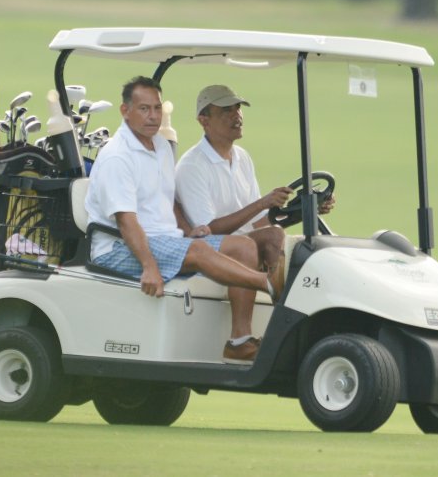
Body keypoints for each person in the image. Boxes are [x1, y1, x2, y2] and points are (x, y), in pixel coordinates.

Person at [85, 76, 281, 364]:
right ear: (125, 111)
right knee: (200, 251)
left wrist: (189, 230)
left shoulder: (160, 147)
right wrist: (149, 267)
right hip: (118, 248)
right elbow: (126, 221)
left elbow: (169, 201)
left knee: (243, 247)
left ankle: (239, 342)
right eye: (143, 109)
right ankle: (271, 284)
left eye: (156, 108)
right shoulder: (117, 157)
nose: (153, 116)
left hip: (163, 240)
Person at [175, 84, 336, 362]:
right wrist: (262, 202)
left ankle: (287, 325)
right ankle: (240, 340)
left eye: (237, 108)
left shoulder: (242, 158)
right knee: (246, 247)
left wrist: (305, 211)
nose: (236, 115)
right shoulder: (193, 165)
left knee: (278, 238)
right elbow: (208, 228)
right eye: (226, 110)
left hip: (237, 241)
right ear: (204, 120)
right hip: (204, 246)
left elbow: (259, 224)